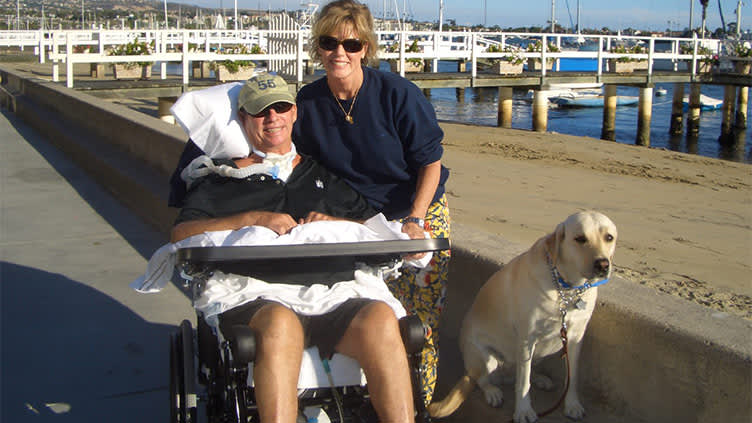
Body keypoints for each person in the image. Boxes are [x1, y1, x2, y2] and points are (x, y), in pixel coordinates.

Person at [171, 73, 415, 423]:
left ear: (294, 113)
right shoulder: (219, 180)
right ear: (243, 118)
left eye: (281, 108)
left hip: (333, 293)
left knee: (380, 318)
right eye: (261, 111)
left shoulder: (321, 175)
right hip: (257, 294)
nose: (273, 118)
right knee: (281, 324)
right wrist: (252, 218)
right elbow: (181, 234)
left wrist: (334, 224)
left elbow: (369, 228)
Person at [291, 0, 451, 405]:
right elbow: (304, 168)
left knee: (419, 322)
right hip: (356, 219)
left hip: (416, 209)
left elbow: (431, 164)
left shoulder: (398, 94)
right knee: (366, 313)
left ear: (366, 48)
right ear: (318, 47)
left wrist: (415, 219)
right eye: (329, 42)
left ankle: (417, 404)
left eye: (351, 44)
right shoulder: (309, 102)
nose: (339, 52)